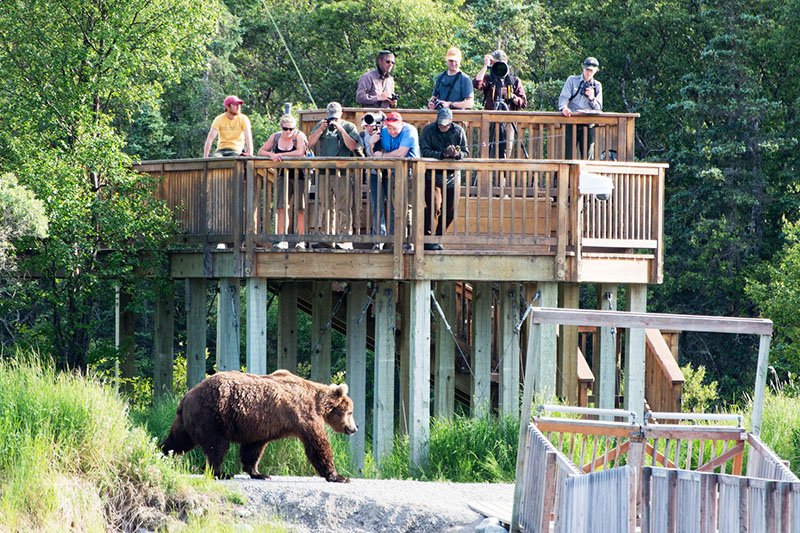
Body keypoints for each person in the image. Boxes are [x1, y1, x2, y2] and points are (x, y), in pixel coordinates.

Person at [307, 102, 363, 249]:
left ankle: (345, 239)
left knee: (343, 206)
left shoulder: (349, 126)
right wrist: (320, 129)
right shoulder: (322, 125)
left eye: (336, 118)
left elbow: (352, 146)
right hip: (324, 172)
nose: (333, 120)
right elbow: (309, 143)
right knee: (325, 205)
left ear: (341, 115)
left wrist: (340, 129)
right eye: (331, 117)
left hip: (342, 172)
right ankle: (327, 237)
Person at [419, 107, 469, 250]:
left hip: (453, 175)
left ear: (451, 121)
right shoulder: (428, 130)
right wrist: (442, 154)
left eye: (446, 124)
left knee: (450, 210)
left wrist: (456, 154)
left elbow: (465, 151)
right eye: (441, 124)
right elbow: (424, 151)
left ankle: (438, 238)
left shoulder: (458, 131)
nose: (443, 126)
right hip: (432, 175)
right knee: (433, 206)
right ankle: (427, 238)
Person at [258, 114, 309, 250]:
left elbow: (300, 152)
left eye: (291, 129)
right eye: (285, 129)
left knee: (300, 208)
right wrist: (272, 155)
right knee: (281, 207)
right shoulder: (275, 137)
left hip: (300, 175)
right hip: (282, 174)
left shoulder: (299, 136)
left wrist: (282, 156)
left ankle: (301, 239)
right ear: (281, 128)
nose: (288, 132)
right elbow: (261, 150)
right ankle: (282, 238)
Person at [374, 112, 420, 251]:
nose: (392, 131)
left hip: (409, 172)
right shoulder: (382, 132)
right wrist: (372, 143)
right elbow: (374, 154)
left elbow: (401, 153)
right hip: (392, 173)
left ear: (401, 124)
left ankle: (408, 240)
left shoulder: (409, 130)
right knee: (395, 207)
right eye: (389, 128)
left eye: (395, 128)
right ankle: (395, 240)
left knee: (407, 207)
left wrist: (382, 155)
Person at [473, 50, 527, 158]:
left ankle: (503, 175)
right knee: (486, 149)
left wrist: (513, 97)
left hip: (508, 120)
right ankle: (486, 174)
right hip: (490, 119)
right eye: (497, 64)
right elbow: (476, 84)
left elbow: (524, 103)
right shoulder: (489, 79)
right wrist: (486, 66)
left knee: (506, 151)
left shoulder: (513, 81)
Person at [558, 57, 603, 159]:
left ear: (596, 71)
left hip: (588, 124)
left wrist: (592, 98)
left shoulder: (597, 86)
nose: (588, 72)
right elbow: (564, 97)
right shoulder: (572, 80)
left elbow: (599, 108)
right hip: (571, 121)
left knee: (587, 157)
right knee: (568, 155)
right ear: (583, 68)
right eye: (587, 69)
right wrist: (564, 108)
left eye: (591, 70)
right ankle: (567, 175)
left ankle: (585, 175)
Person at [358, 112, 390, 244]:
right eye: (366, 126)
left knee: (394, 205)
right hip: (373, 173)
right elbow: (366, 155)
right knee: (377, 204)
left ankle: (394, 236)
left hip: (389, 172)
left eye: (371, 126)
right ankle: (379, 237)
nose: (369, 129)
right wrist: (370, 144)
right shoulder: (362, 136)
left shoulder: (386, 133)